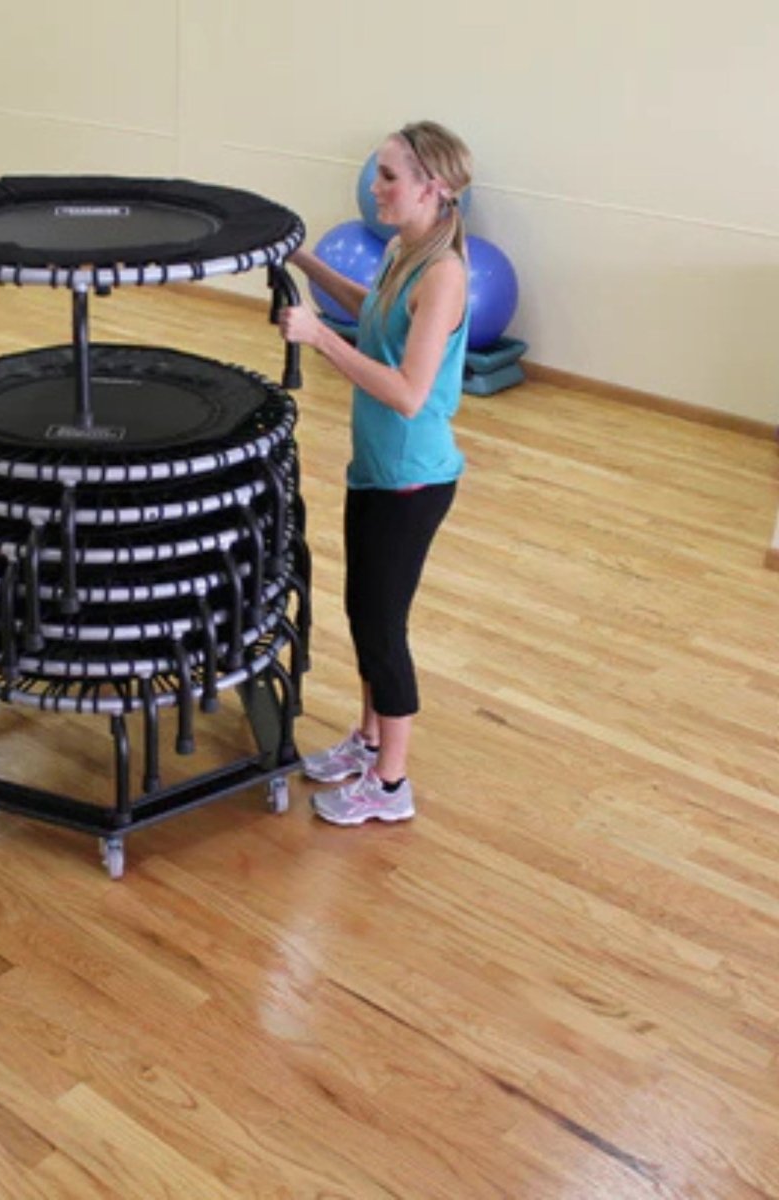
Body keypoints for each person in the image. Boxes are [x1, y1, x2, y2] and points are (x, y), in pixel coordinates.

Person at [279, 120, 472, 826]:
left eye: (389, 176)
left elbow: (407, 391)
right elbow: (375, 312)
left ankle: (390, 784)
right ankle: (367, 741)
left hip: (413, 480)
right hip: (376, 472)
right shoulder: (404, 250)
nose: (375, 186)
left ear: (434, 188)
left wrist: (319, 338)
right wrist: (302, 260)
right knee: (364, 612)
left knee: (384, 626)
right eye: (378, 173)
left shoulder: (445, 275)